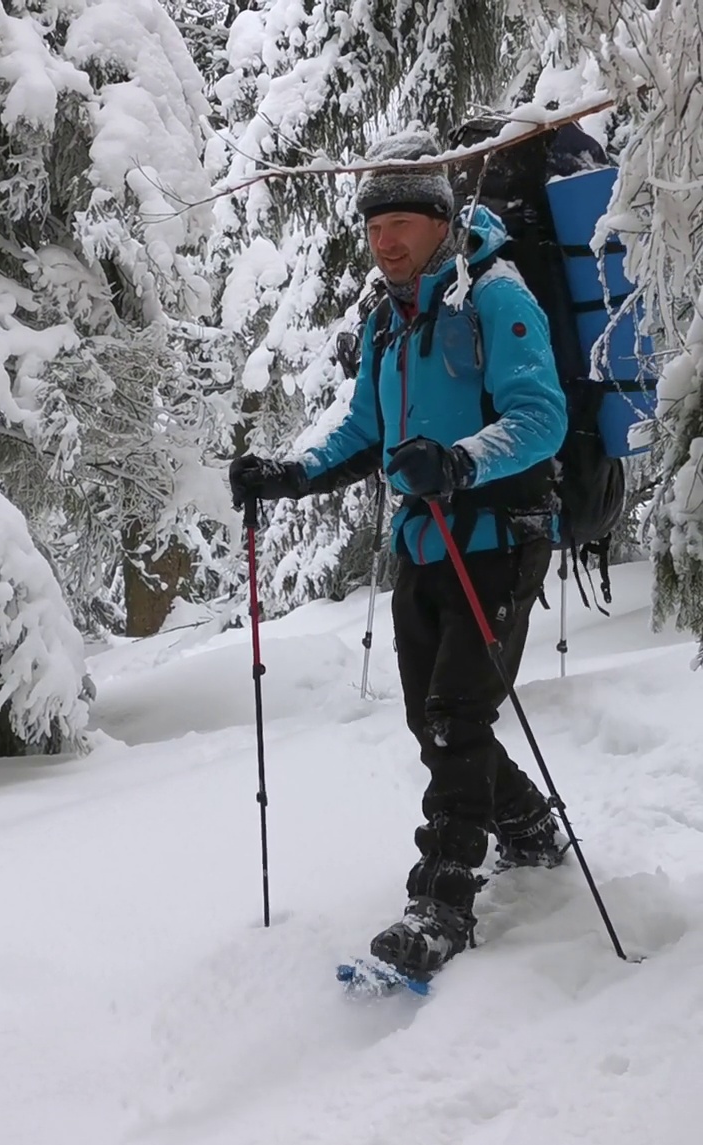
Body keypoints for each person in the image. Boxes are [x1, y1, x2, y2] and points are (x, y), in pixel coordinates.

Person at [230, 130, 569, 981]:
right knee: (435, 720)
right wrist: (286, 474)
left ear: (440, 220)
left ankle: (441, 905)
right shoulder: (389, 319)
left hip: (497, 540)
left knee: (456, 714)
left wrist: (460, 461)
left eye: (402, 222)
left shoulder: (496, 296)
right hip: (424, 546)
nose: (384, 240)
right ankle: (529, 829)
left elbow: (542, 417)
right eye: (374, 225)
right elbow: (365, 435)